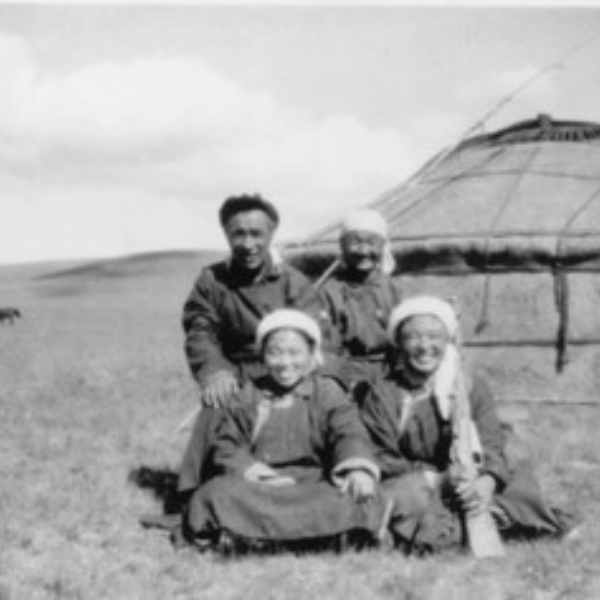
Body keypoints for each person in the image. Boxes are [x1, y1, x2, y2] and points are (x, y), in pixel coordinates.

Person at [356, 295, 572, 555]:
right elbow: (382, 457)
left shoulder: (469, 386)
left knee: (520, 483)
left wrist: (487, 482)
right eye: (413, 337)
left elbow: (492, 444)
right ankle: (471, 524)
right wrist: (439, 479)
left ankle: (472, 519)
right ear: (399, 344)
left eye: (434, 336)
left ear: (447, 340)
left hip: (467, 480)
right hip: (419, 482)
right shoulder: (383, 394)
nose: (425, 346)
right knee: (401, 498)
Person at [185, 309, 388, 554]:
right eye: (275, 353)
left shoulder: (327, 392)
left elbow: (349, 433)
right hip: (262, 486)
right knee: (216, 493)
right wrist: (254, 471)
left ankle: (256, 535)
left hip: (313, 484)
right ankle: (317, 537)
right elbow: (227, 444)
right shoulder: (249, 394)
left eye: (294, 353)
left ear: (312, 355)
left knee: (359, 495)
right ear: (262, 356)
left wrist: (357, 469)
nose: (284, 363)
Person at [178, 194, 328, 496]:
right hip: (234, 374)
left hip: (285, 369)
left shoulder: (293, 282)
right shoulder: (212, 280)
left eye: (256, 234)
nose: (248, 244)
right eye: (239, 234)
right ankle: (197, 494)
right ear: (226, 235)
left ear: (271, 234)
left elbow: (316, 335)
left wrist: (294, 371)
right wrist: (214, 372)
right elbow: (200, 329)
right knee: (218, 402)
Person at [320, 209, 401, 389]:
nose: (364, 251)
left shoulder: (393, 290)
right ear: (342, 246)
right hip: (346, 376)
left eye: (372, 243)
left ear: (383, 247)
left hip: (389, 375)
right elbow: (327, 349)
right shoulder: (329, 292)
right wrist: (341, 381)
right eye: (355, 243)